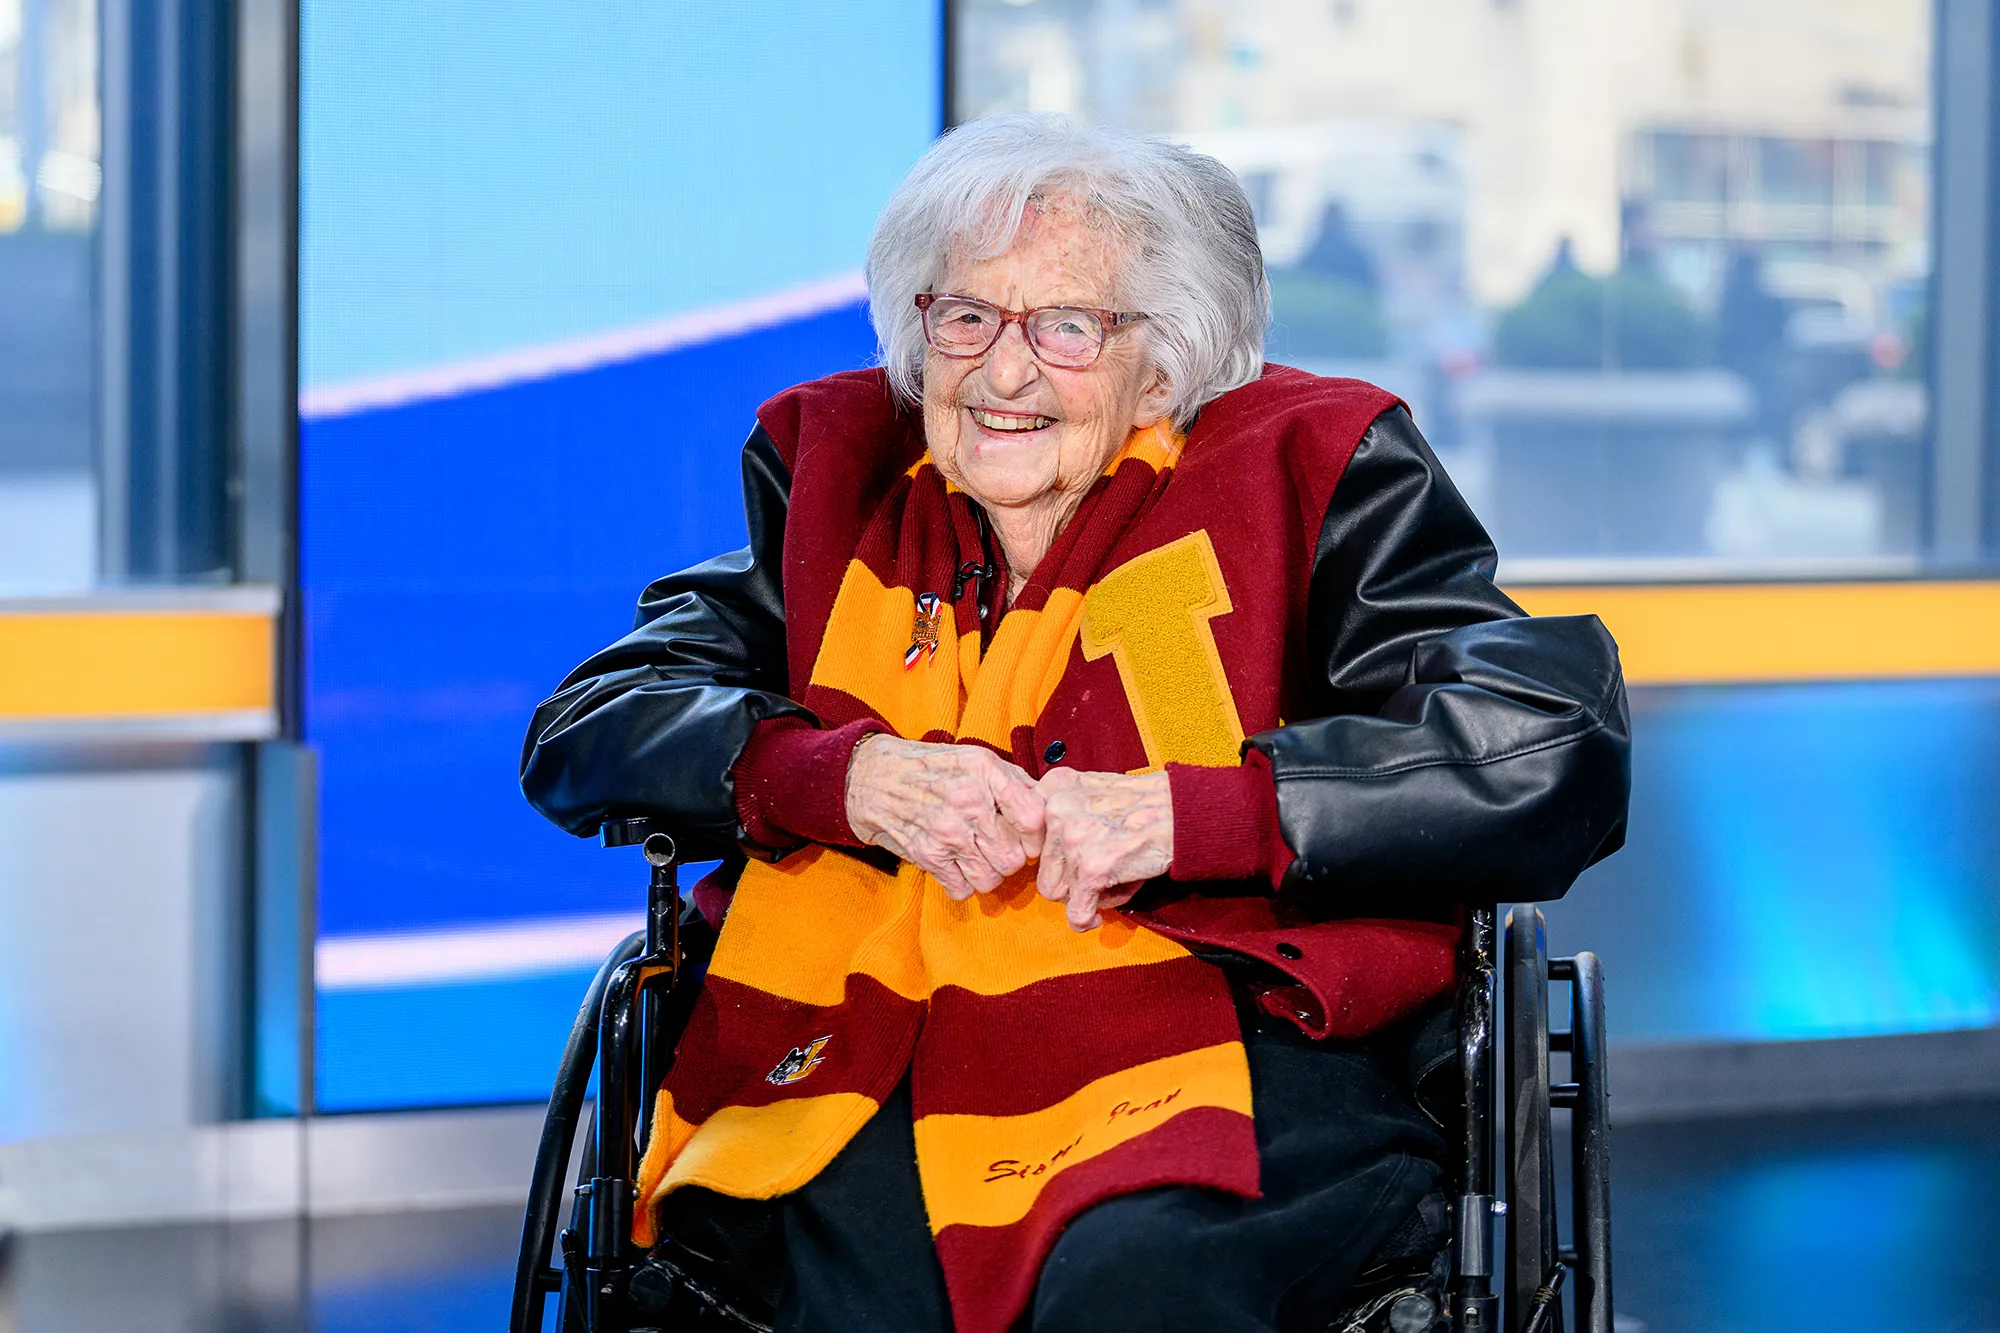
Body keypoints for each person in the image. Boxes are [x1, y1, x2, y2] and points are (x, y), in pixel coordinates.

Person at [521, 113, 1629, 1333]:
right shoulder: (838, 488)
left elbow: (1546, 741)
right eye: (966, 318)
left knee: (1135, 1285)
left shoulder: (1308, 470)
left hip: (1232, 1024)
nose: (1003, 374)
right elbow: (592, 723)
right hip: (866, 1032)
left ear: (1165, 360)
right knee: (861, 1291)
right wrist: (844, 775)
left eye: (1066, 326)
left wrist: (1197, 812)